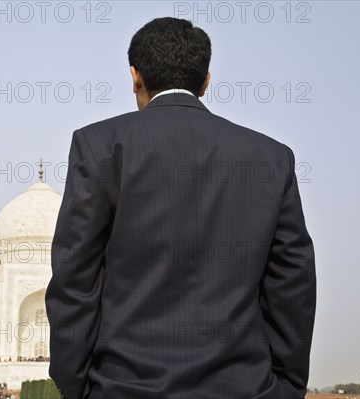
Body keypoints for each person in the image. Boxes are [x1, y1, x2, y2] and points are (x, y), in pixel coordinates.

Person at [45, 17, 316, 399]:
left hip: (123, 387)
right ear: (206, 81)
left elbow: (74, 279)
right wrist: (286, 387)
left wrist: (76, 387)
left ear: (134, 76)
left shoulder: (100, 146)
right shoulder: (270, 158)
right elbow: (292, 284)